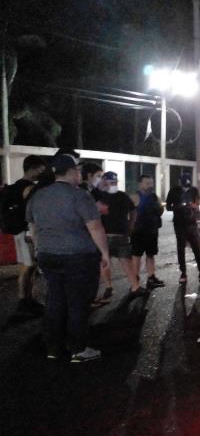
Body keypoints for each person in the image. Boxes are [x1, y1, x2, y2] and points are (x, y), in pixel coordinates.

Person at [25, 153, 110, 362]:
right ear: (71, 172)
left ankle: (53, 348)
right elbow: (95, 227)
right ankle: (78, 349)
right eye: (78, 170)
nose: (80, 173)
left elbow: (33, 229)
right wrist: (105, 253)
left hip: (47, 256)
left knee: (55, 300)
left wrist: (38, 252)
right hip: (78, 257)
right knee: (78, 302)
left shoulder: (39, 196)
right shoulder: (79, 195)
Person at [1, 155, 46, 314]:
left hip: (19, 231)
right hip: (26, 231)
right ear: (32, 169)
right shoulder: (29, 188)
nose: (42, 173)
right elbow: (31, 211)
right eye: (41, 170)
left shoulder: (16, 186)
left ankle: (28, 299)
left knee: (28, 266)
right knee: (29, 265)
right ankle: (24, 300)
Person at [94, 171, 147, 303]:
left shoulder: (121, 196)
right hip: (105, 236)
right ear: (104, 182)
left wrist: (131, 225)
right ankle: (109, 286)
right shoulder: (99, 197)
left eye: (115, 182)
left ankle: (133, 287)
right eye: (111, 182)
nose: (113, 185)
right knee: (105, 263)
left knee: (125, 262)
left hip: (119, 236)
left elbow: (133, 211)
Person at [165, 173, 200, 284]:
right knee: (181, 249)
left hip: (192, 224)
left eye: (188, 186)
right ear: (180, 183)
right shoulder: (173, 191)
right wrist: (179, 206)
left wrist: (193, 206)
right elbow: (167, 207)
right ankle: (183, 273)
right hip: (179, 224)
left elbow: (197, 205)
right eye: (184, 186)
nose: (186, 188)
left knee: (197, 249)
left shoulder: (194, 190)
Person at [129, 174, 165, 289]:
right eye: (147, 183)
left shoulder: (154, 197)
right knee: (136, 256)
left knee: (151, 255)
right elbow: (128, 215)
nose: (150, 185)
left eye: (151, 183)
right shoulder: (134, 197)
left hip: (152, 231)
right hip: (138, 232)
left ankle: (151, 278)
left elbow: (160, 210)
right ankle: (135, 280)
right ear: (140, 184)